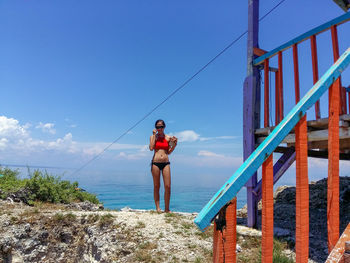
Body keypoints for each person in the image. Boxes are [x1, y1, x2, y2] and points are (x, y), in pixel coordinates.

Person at [149, 119, 177, 212]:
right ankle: (157, 208)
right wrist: (154, 135)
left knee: (168, 186)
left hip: (166, 162)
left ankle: (167, 209)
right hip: (155, 162)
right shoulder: (153, 137)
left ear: (164, 127)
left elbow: (168, 152)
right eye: (157, 127)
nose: (159, 128)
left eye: (161, 126)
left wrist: (174, 145)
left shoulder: (168, 138)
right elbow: (151, 148)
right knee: (156, 186)